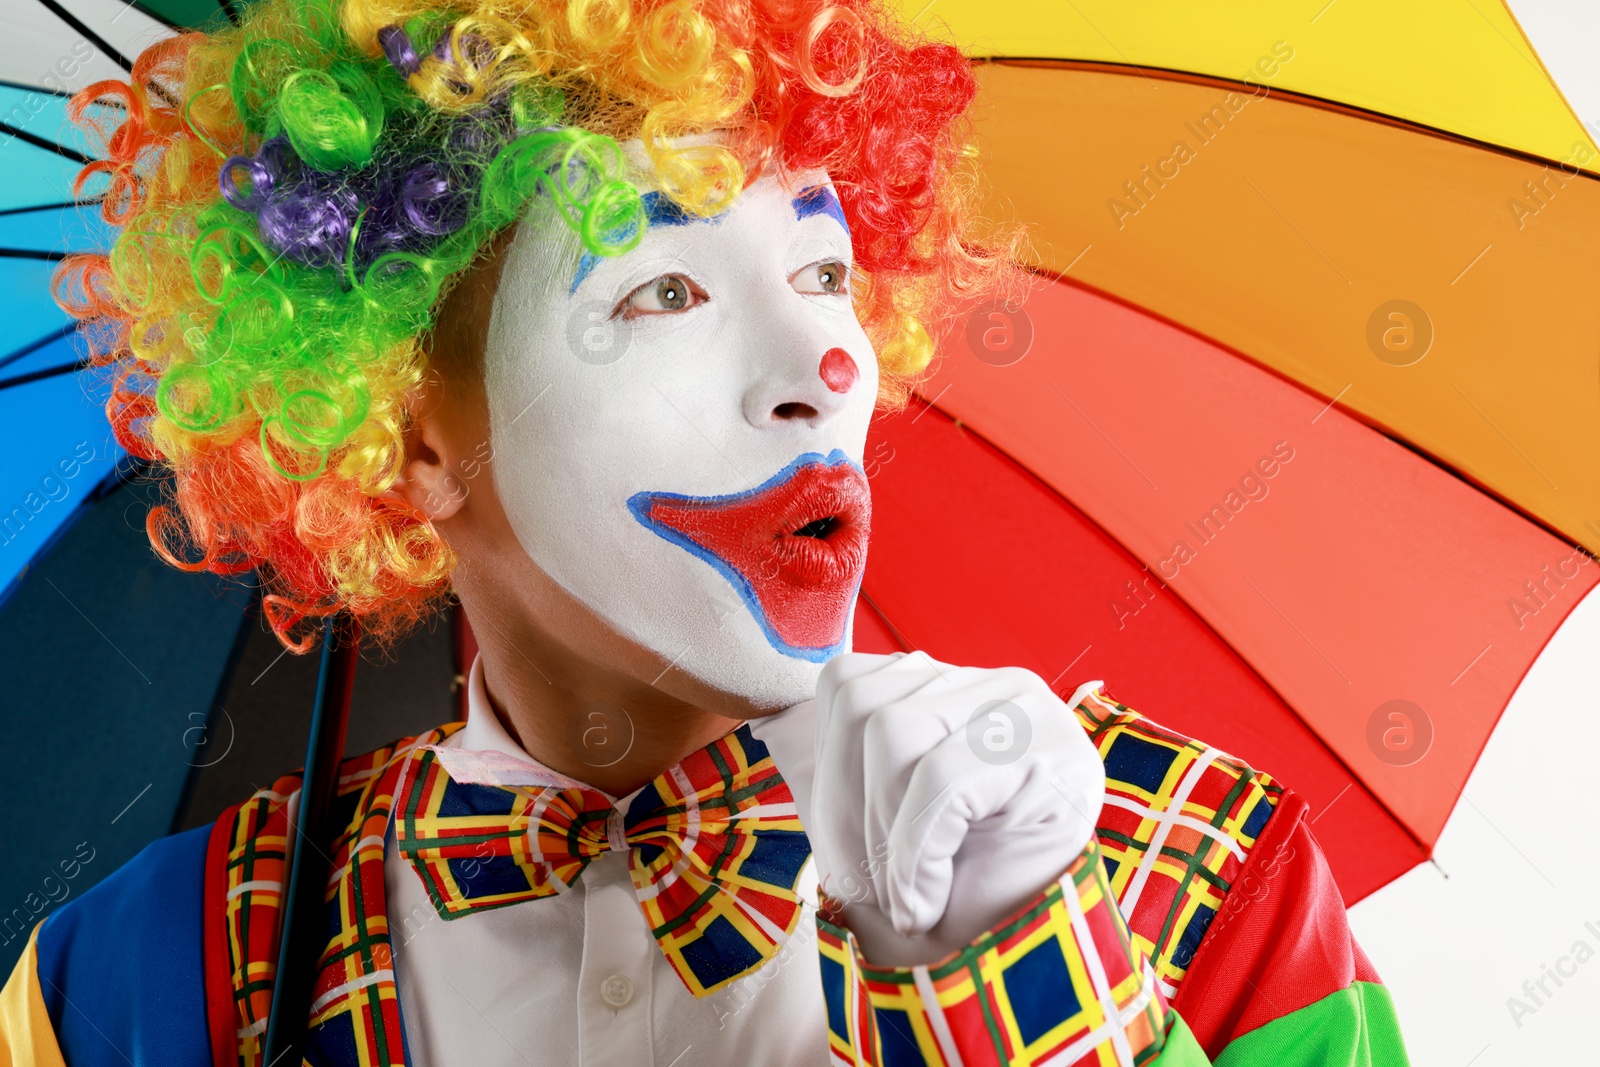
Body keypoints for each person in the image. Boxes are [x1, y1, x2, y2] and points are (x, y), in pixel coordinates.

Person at [0, 1, 1409, 1064]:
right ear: (414, 437)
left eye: (820, 267)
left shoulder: (1192, 879)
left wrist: (1023, 969)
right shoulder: (133, 985)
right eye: (663, 291)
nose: (826, 360)